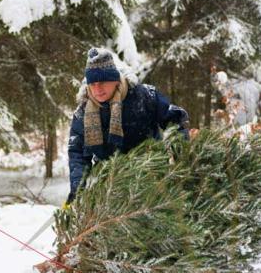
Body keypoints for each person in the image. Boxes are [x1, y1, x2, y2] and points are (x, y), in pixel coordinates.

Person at [67, 48, 190, 203]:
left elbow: (176, 118)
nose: (97, 89)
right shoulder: (83, 113)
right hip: (109, 184)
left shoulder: (143, 96)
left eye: (103, 82)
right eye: (93, 83)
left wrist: (183, 159)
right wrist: (78, 189)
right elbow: (78, 153)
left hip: (150, 177)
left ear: (115, 79)